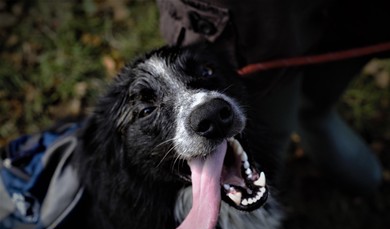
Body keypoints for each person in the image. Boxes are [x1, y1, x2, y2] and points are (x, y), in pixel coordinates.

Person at [156, 0, 390, 194]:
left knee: (343, 43)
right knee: (264, 118)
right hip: (255, 15)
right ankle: (263, 156)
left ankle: (314, 116)